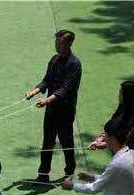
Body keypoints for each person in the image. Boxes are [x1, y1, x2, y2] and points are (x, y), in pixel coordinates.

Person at [26, 30, 82, 182]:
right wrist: (34, 92)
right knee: (47, 142)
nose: (57, 45)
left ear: (69, 43)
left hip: (65, 111)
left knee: (66, 142)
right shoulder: (54, 60)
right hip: (51, 110)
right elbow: (47, 81)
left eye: (60, 42)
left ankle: (69, 172)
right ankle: (43, 174)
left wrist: (47, 100)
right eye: (56, 42)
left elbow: (66, 89)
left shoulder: (75, 64)